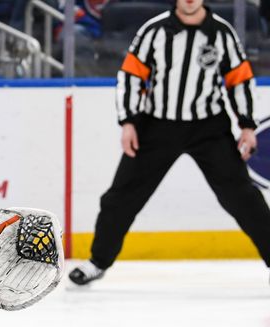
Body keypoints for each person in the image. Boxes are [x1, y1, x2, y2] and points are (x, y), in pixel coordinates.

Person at [69, 0, 270, 286]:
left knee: (243, 198)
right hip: (156, 126)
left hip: (208, 127)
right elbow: (130, 75)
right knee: (121, 197)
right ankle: (97, 261)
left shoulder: (222, 34)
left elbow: (240, 79)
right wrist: (128, 121)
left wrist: (247, 125)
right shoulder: (154, 31)